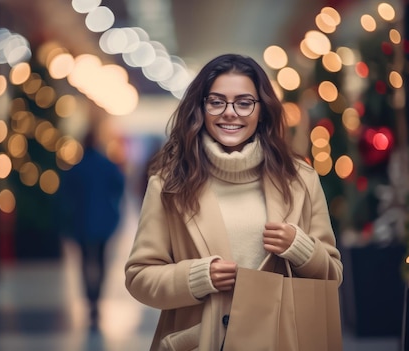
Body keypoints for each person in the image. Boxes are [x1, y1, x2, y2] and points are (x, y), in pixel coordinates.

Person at [124, 54, 343, 350]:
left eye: (243, 102)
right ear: (201, 108)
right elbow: (140, 277)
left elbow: (333, 274)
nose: (230, 113)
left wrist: (300, 247)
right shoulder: (169, 184)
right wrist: (198, 276)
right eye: (216, 101)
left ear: (262, 111)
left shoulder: (300, 179)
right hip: (201, 340)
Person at [57, 130, 125, 330]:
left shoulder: (76, 168)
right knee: (102, 260)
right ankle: (97, 297)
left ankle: (90, 297)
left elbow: (65, 193)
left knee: (85, 260)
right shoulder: (107, 165)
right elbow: (119, 187)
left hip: (81, 221)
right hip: (104, 221)